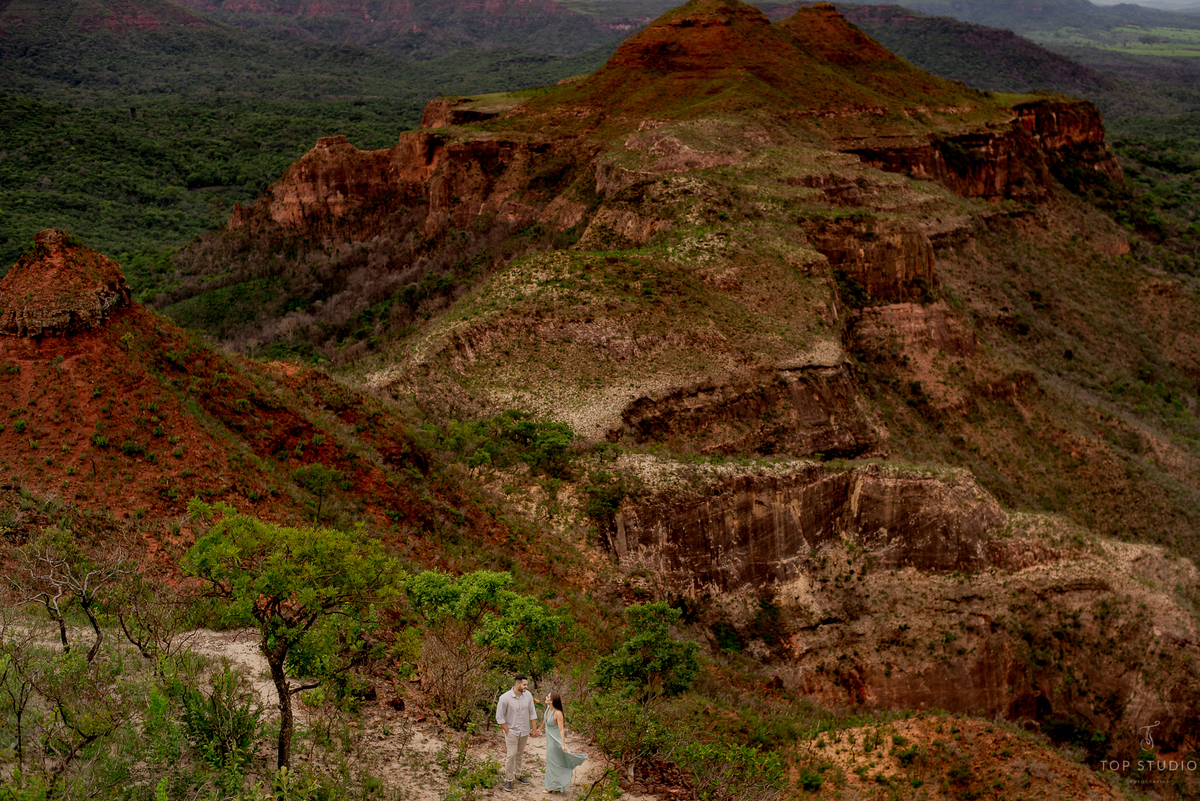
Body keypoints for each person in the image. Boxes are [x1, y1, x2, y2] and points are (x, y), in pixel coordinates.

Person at [496, 674, 540, 792]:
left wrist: (534, 729)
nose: (526, 686)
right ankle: (508, 779)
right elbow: (499, 717)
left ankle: (518, 774)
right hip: (512, 731)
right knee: (511, 755)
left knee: (520, 754)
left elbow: (532, 712)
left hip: (524, 731)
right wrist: (507, 730)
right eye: (524, 684)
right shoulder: (505, 698)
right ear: (517, 685)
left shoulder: (528, 696)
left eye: (526, 684)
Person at [543, 692, 587, 794]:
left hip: (555, 741)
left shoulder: (558, 713)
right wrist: (538, 729)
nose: (546, 697)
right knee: (552, 762)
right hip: (549, 740)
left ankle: (550, 787)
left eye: (548, 697)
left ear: (552, 700)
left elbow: (562, 730)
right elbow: (545, 722)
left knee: (553, 763)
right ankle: (554, 785)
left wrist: (562, 744)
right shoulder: (548, 709)